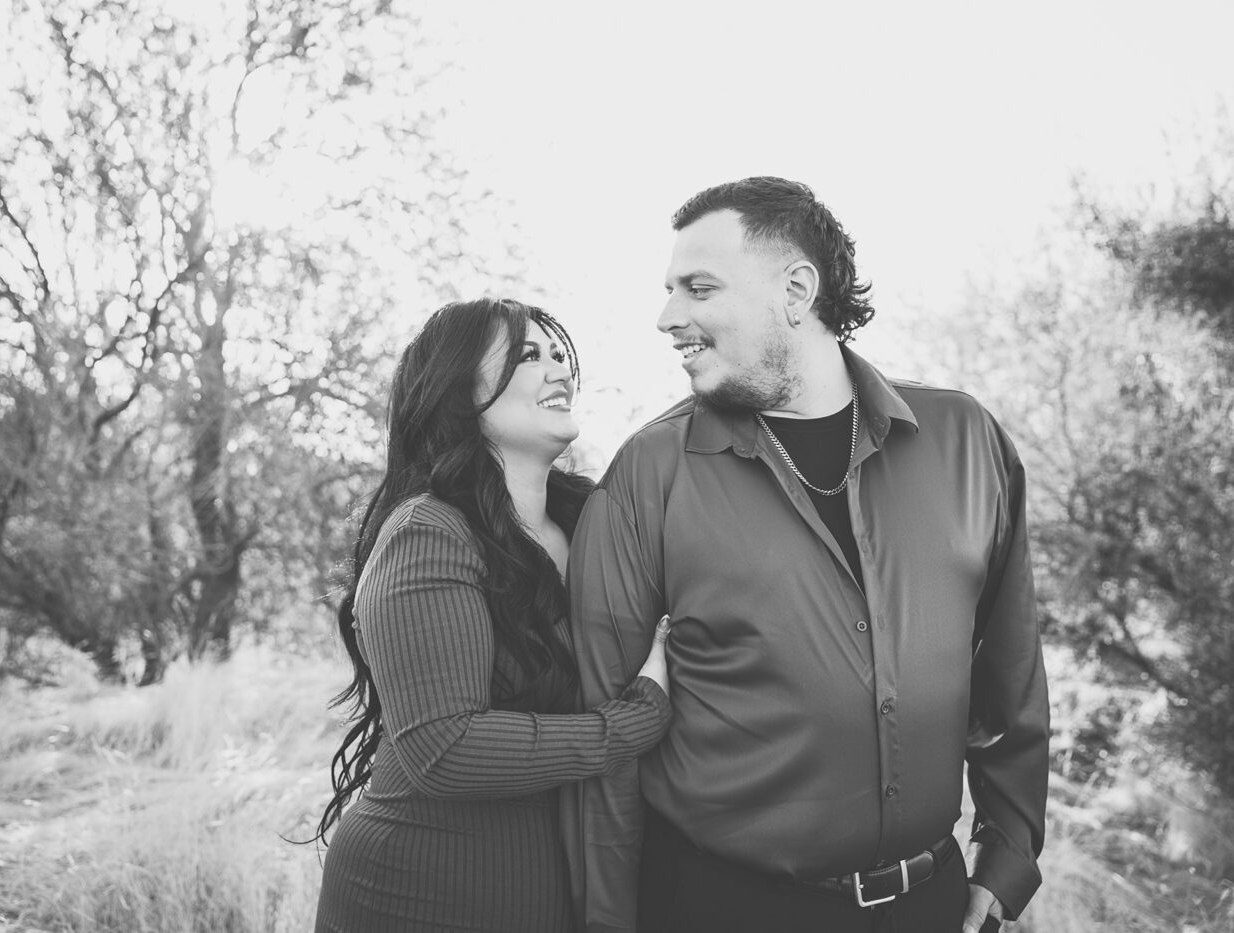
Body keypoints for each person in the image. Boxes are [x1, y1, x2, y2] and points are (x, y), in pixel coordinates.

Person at [561, 177, 1049, 933]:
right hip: (720, 907)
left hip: (931, 906)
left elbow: (1010, 672)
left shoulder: (966, 440)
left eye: (698, 288)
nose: (667, 317)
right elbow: (603, 748)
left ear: (796, 288)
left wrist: (1009, 848)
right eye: (669, 291)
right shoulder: (647, 474)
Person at [314, 298, 673, 933]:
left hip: (552, 885)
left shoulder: (592, 523)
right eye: (528, 356)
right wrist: (634, 721)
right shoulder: (429, 532)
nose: (558, 371)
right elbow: (443, 747)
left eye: (559, 355)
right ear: (458, 391)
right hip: (419, 888)